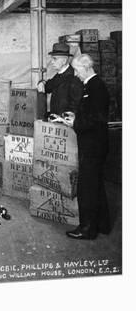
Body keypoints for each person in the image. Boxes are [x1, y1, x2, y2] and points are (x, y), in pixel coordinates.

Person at [61, 54, 110, 240]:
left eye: (77, 69)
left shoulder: (95, 87)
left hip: (93, 145)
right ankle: (102, 224)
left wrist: (75, 123)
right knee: (96, 185)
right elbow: (91, 114)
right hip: (96, 144)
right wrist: (76, 116)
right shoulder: (92, 86)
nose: (75, 74)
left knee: (87, 188)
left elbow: (95, 120)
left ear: (87, 67)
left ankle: (87, 229)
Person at [37, 43, 83, 117]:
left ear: (64, 61)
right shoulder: (60, 74)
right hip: (57, 121)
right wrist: (42, 82)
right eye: (51, 58)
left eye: (54, 59)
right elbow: (48, 87)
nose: (52, 62)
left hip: (66, 124)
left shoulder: (74, 78)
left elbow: (75, 107)